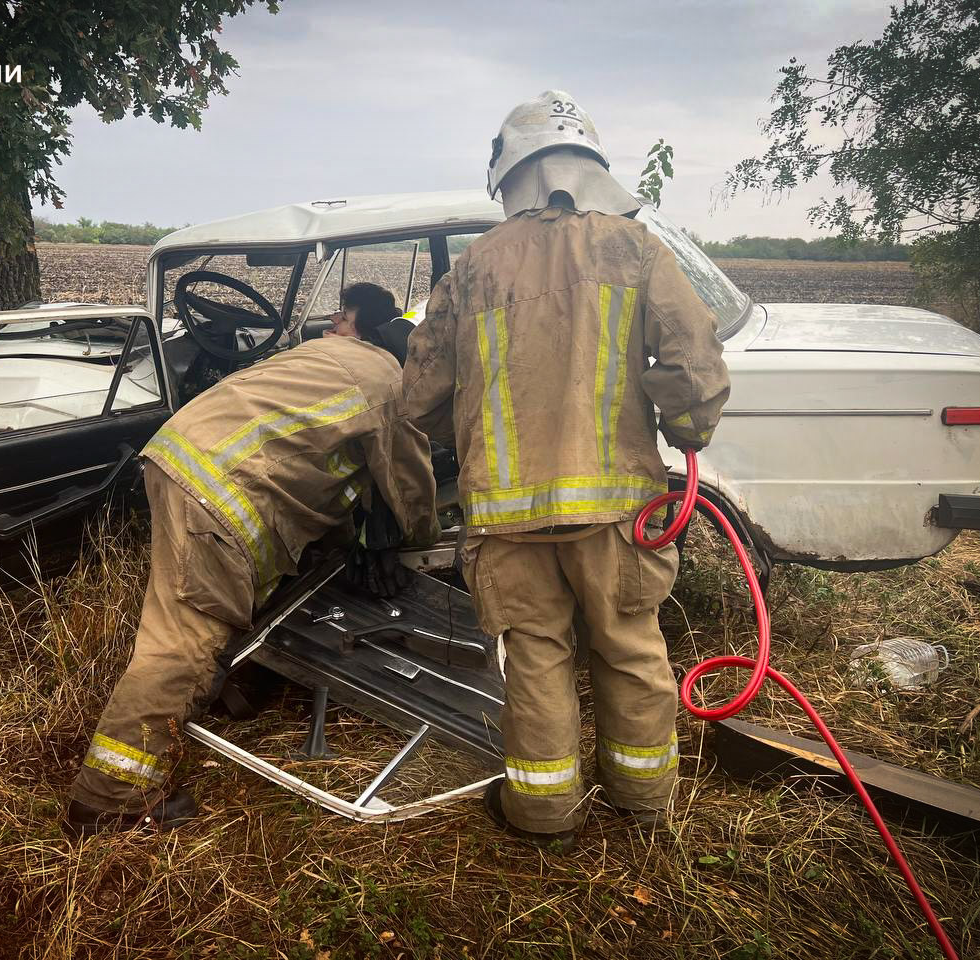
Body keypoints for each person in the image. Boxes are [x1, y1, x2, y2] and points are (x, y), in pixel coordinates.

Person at [404, 91, 730, 852]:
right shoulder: (636, 248)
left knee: (537, 658)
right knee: (630, 647)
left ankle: (546, 815)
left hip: (507, 521)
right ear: (590, 165)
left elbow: (419, 393)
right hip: (618, 511)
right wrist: (685, 430)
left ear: (511, 173)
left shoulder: (474, 268)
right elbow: (693, 363)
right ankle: (644, 803)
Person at [67, 282, 439, 837]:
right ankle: (109, 801)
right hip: (220, 493)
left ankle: (227, 681)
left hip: (175, 458)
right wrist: (419, 537)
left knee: (203, 604)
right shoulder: (387, 382)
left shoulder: (316, 353)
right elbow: (410, 488)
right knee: (182, 641)